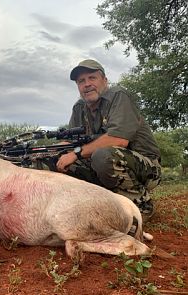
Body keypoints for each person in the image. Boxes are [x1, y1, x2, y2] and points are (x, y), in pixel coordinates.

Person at [56, 59, 161, 221]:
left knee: (103, 155)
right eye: (81, 81)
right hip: (103, 164)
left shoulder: (119, 96)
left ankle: (140, 205)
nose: (86, 84)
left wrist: (75, 154)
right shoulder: (79, 108)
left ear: (105, 80)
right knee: (55, 158)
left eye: (92, 78)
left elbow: (118, 140)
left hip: (147, 168)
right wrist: (54, 152)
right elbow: (70, 143)